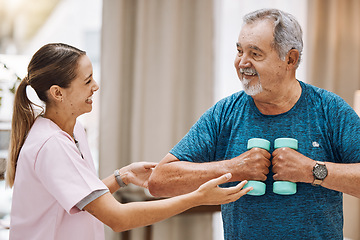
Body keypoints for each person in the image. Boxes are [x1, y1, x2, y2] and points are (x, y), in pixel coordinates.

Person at [148, 8, 360, 240]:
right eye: (239, 51)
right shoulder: (224, 113)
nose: (242, 63)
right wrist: (234, 168)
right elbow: (160, 181)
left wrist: (312, 171)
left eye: (255, 54)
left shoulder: (329, 110)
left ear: (290, 59)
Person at [5, 43, 252, 240]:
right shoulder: (51, 144)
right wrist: (197, 198)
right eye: (87, 81)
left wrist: (121, 177)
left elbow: (80, 197)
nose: (96, 86)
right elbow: (118, 218)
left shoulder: (73, 129)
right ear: (58, 93)